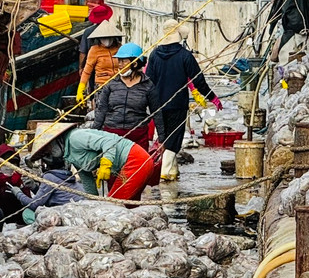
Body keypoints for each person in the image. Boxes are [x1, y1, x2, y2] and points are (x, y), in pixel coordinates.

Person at [146, 37, 221, 182]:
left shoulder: (154, 55)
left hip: (157, 104)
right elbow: (198, 80)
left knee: (162, 135)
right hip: (178, 104)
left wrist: (147, 102)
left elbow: (148, 81)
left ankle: (172, 170)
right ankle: (165, 172)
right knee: (174, 137)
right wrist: (212, 97)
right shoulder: (185, 55)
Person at [25, 121, 155, 202]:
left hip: (135, 161)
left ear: (56, 141)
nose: (49, 154)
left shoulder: (75, 137)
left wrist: (105, 164)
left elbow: (108, 142)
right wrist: (92, 204)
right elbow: (87, 182)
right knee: (130, 207)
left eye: (48, 149)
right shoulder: (70, 155)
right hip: (129, 166)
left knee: (114, 206)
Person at [93, 42, 164, 148]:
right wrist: (93, 134)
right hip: (112, 135)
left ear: (135, 63)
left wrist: (162, 139)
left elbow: (157, 113)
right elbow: (101, 110)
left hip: (138, 136)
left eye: (123, 61)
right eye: (119, 61)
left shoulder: (148, 86)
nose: (120, 64)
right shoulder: (111, 84)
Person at [77, 20, 123, 104]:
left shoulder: (119, 48)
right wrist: (81, 89)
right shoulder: (94, 50)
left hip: (119, 85)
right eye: (104, 38)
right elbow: (87, 71)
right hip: (101, 86)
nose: (107, 40)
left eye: (109, 37)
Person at [78, 3, 113, 71]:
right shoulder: (112, 31)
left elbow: (83, 52)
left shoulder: (88, 32)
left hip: (92, 65)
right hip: (110, 66)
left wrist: (81, 67)